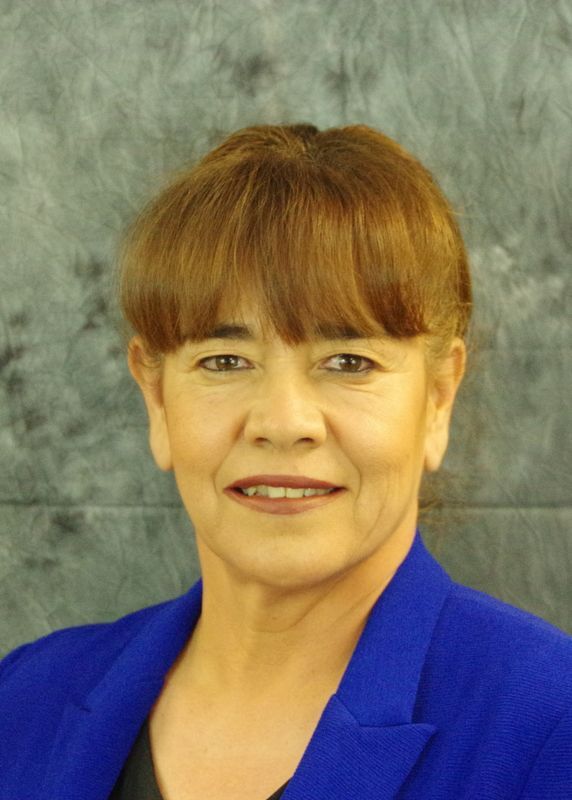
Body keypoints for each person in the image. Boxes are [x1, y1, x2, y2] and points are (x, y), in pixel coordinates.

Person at [0, 123, 570, 800]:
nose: (283, 423)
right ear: (155, 398)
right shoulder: (22, 699)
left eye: (348, 361)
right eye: (225, 361)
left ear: (437, 400)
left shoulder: (547, 724)